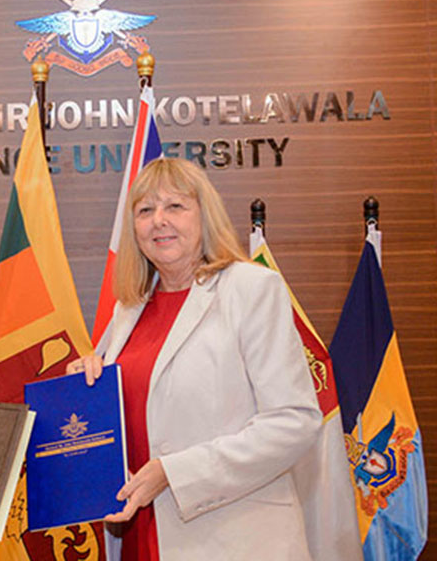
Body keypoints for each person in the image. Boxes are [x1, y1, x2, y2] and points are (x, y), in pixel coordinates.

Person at [67, 158, 321, 560]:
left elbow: (295, 422)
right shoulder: (128, 309)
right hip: (137, 534)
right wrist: (85, 385)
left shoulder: (252, 289)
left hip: (229, 539)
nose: (158, 221)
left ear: (205, 215)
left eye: (175, 207)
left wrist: (174, 473)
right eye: (145, 210)